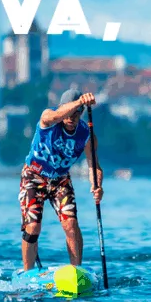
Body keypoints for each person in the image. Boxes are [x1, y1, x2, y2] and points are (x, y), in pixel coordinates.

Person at [19, 88, 103, 271]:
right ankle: (27, 272)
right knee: (33, 227)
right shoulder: (49, 117)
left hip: (60, 180)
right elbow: (55, 115)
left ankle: (76, 271)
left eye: (77, 114)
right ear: (63, 107)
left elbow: (94, 165)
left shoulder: (86, 134)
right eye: (70, 112)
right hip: (33, 176)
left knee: (70, 223)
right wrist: (79, 102)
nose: (72, 117)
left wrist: (97, 186)